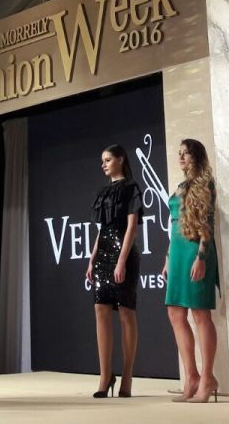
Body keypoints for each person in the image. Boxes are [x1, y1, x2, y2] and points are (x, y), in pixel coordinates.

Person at [162, 139, 220, 403]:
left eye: (186, 153)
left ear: (197, 156)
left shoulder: (205, 184)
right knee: (175, 312)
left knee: (200, 314)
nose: (181, 157)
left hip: (196, 251)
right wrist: (167, 258)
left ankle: (208, 378)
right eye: (179, 153)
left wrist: (201, 258)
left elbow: (207, 225)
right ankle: (191, 376)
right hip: (177, 253)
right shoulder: (180, 186)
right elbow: (174, 224)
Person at [84, 144, 142, 399]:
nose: (103, 164)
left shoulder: (131, 188)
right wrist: (92, 258)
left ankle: (127, 377)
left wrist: (121, 261)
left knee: (126, 312)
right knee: (100, 309)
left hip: (124, 254)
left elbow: (132, 228)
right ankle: (105, 376)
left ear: (120, 159)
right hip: (103, 254)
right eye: (102, 160)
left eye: (108, 159)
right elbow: (103, 229)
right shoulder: (104, 192)